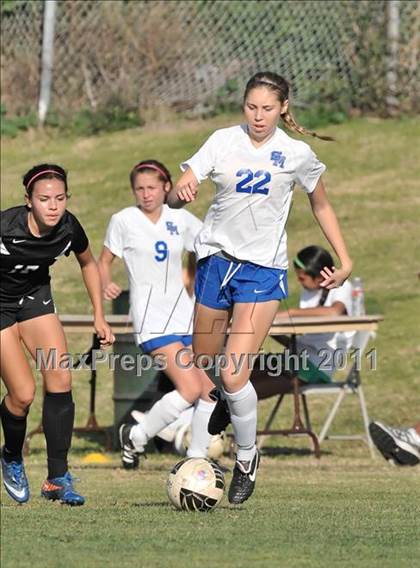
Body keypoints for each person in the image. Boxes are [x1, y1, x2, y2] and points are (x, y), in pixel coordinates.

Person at [166, 71, 352, 504]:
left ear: (283, 108)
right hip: (214, 263)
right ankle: (227, 403)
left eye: (268, 108)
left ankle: (247, 457)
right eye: (252, 107)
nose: (259, 116)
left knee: (233, 374)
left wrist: (345, 259)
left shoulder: (296, 153)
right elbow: (176, 196)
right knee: (207, 364)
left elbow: (320, 203)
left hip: (261, 272)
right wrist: (182, 190)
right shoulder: (222, 141)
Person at [0, 163, 114, 506]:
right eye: (45, 199)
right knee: (22, 395)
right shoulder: (5, 227)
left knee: (61, 376)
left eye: (60, 198)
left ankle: (56, 478)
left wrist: (99, 316)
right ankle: (11, 456)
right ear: (29, 201)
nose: (53, 205)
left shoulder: (68, 227)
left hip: (34, 300)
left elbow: (88, 262)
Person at [98, 159, 216, 469]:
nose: (146, 194)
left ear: (166, 188)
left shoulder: (181, 218)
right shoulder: (124, 220)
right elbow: (103, 261)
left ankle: (197, 459)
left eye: (152, 187)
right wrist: (106, 282)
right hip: (152, 321)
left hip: (186, 317)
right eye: (139, 188)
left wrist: (191, 277)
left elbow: (204, 248)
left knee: (209, 392)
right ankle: (138, 436)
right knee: (190, 388)